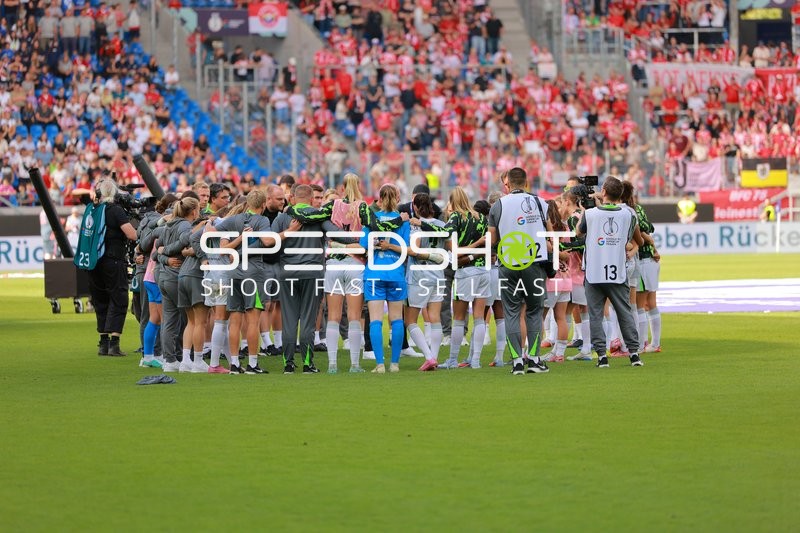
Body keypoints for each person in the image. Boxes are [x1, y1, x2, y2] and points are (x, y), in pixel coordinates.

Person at [217, 190, 299, 374]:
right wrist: (289, 231)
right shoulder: (261, 220)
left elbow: (213, 231)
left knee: (235, 320)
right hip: (253, 274)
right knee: (253, 320)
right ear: (263, 205)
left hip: (233, 273)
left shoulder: (234, 219)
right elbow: (269, 241)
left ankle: (235, 364)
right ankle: (253, 364)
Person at [414, 187, 490, 369]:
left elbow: (443, 232)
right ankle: (476, 360)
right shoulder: (480, 217)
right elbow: (488, 242)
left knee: (458, 317)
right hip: (484, 271)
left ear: (453, 201)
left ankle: (453, 359)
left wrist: (420, 223)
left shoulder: (457, 217)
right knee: (479, 318)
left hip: (465, 272)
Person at [487, 167, 552, 375]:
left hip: (508, 264)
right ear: (526, 182)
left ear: (507, 184)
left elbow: (492, 239)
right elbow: (551, 236)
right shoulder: (541, 203)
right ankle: (533, 359)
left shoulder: (498, 205)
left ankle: (516, 361)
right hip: (534, 263)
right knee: (534, 311)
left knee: (511, 312)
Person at [576, 176, 643, 368]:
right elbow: (631, 238)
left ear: (603, 192)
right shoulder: (629, 215)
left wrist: (584, 212)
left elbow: (578, 233)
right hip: (617, 270)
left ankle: (601, 356)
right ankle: (634, 353)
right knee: (624, 312)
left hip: (594, 271)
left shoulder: (591, 214)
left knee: (596, 314)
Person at [360, 184, 410, 373]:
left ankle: (380, 364)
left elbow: (364, 246)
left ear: (379, 199)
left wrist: (379, 245)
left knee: (375, 320)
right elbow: (405, 249)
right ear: (397, 198)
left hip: (374, 273)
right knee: (397, 319)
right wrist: (391, 246)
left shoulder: (372, 220)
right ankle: (394, 364)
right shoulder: (403, 222)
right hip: (396, 273)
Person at [87, 178, 138, 357]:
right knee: (119, 298)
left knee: (100, 300)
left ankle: (103, 342)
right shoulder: (115, 210)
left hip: (94, 261)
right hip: (113, 260)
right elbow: (131, 235)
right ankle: (114, 343)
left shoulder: (93, 210)